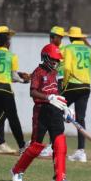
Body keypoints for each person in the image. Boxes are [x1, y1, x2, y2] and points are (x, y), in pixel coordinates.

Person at [10, 44, 74, 181]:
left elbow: (57, 94)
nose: (56, 62)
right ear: (45, 57)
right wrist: (48, 98)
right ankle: (17, 171)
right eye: (53, 59)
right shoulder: (38, 72)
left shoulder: (55, 74)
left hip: (55, 112)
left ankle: (59, 180)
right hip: (41, 111)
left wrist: (66, 108)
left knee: (60, 144)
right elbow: (32, 92)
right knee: (36, 146)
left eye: (58, 60)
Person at [0, 26, 29, 153]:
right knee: (13, 118)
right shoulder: (12, 56)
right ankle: (21, 146)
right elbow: (13, 76)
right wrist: (23, 80)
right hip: (5, 90)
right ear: (7, 43)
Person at [62, 26, 91, 163]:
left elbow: (66, 67)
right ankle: (81, 152)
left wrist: (64, 84)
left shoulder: (68, 49)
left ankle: (52, 146)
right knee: (81, 118)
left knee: (55, 111)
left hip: (72, 85)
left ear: (70, 37)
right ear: (80, 37)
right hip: (85, 87)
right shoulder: (88, 50)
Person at [38, 26, 67, 158]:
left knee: (56, 117)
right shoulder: (48, 49)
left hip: (59, 83)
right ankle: (42, 144)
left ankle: (53, 145)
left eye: (59, 37)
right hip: (51, 84)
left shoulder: (62, 50)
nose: (54, 39)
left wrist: (60, 91)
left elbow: (60, 72)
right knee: (48, 117)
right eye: (54, 36)